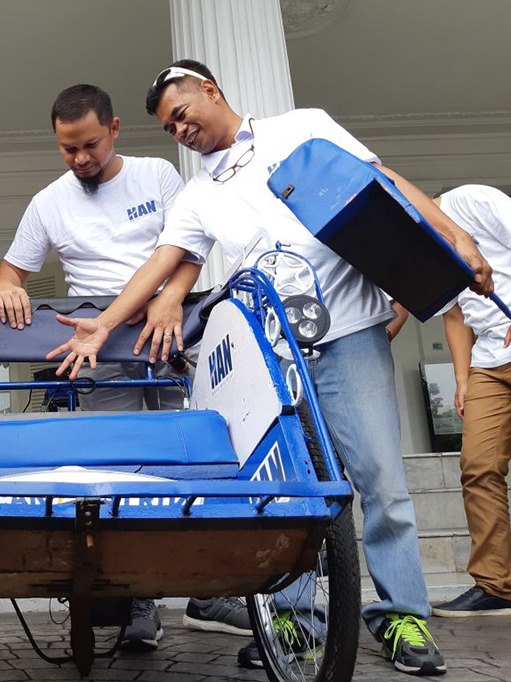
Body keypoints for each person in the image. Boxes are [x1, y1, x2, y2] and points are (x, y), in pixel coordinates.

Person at [48, 60, 494, 676]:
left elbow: (383, 180)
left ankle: (401, 615)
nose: (180, 131)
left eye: (182, 114)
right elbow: (164, 260)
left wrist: (456, 237)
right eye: (169, 128)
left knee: (382, 481)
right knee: (289, 491)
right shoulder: (199, 194)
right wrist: (105, 322)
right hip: (273, 355)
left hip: (349, 333)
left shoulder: (301, 127)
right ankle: (292, 619)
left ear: (211, 91)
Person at [0, 83, 250, 651]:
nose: (81, 158)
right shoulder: (49, 202)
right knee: (122, 473)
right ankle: (140, 600)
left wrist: (171, 297)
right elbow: (9, 271)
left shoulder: (157, 174)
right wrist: (6, 286)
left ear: (114, 129)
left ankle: (209, 592)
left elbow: (190, 247)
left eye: (90, 145)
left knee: (203, 457)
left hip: (173, 330)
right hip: (100, 350)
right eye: (68, 149)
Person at [433, 185, 511, 618]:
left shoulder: (472, 201)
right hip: (488, 363)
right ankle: (496, 585)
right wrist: (462, 379)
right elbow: (455, 314)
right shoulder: (423, 248)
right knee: (478, 467)